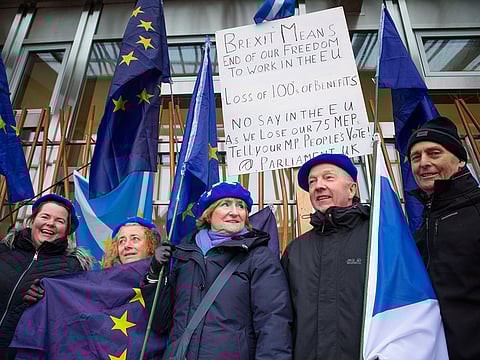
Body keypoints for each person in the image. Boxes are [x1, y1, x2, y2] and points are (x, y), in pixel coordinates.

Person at [162, 181, 292, 360]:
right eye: (225, 204)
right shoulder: (185, 255)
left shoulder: (259, 257)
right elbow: (161, 322)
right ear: (208, 215)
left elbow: (274, 323)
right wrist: (154, 275)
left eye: (241, 206)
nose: (235, 212)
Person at [281, 154, 370, 360]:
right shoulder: (295, 251)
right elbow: (282, 320)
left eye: (328, 178)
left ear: (352, 189)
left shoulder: (379, 236)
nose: (318, 186)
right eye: (313, 182)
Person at [407, 116, 480, 359]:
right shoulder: (420, 229)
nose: (423, 163)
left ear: (460, 160)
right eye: (416, 157)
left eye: (434, 153)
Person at [0, 194, 92, 358]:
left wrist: (45, 300)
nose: (50, 223)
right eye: (45, 216)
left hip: (21, 353)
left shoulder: (73, 268)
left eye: (59, 221)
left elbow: (72, 318)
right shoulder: (4, 250)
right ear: (33, 220)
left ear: (66, 231)